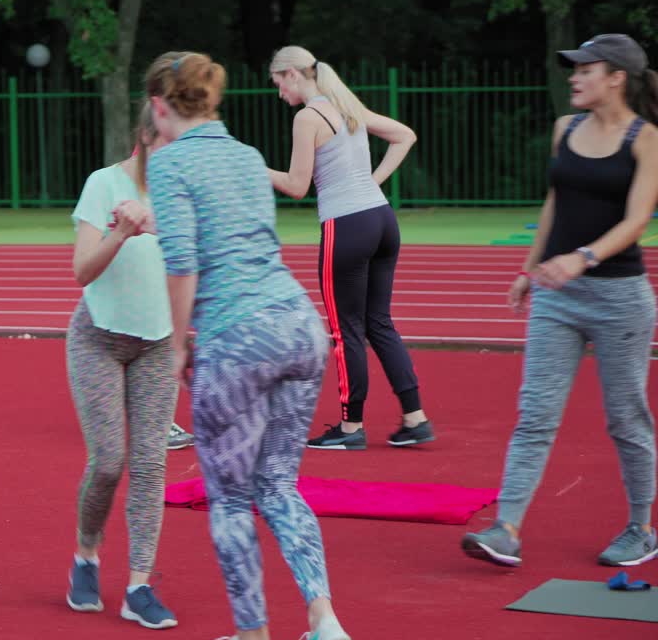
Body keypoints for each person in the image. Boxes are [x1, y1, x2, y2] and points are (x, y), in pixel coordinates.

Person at [144, 50, 352, 640]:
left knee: (231, 498)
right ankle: (323, 618)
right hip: (298, 326)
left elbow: (181, 262)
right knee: (280, 486)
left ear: (158, 106)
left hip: (235, 337)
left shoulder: (170, 163)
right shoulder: (242, 155)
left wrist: (178, 346)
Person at [462, 33, 658, 568]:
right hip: (558, 297)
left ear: (616, 77)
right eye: (572, 69)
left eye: (584, 69)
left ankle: (641, 526)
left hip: (620, 298)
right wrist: (533, 267)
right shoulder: (563, 129)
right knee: (536, 415)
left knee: (626, 419)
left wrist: (582, 257)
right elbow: (556, 201)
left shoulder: (647, 140)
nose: (573, 77)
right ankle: (507, 528)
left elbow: (638, 220)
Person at [266, 46, 433, 451]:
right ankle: (415, 417)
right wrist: (373, 181)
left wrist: (248, 164)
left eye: (277, 84)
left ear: (291, 74)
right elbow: (404, 135)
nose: (278, 93)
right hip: (381, 220)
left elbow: (296, 185)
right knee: (379, 322)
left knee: (345, 331)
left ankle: (350, 427)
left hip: (347, 225)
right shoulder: (346, 105)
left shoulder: (308, 117)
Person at [65, 102, 180, 629]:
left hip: (157, 344)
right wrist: (122, 232)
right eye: (169, 140)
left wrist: (185, 338)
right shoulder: (104, 184)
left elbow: (190, 273)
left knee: (152, 464)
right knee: (110, 461)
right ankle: (86, 556)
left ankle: (138, 585)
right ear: (145, 136)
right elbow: (82, 271)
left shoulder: (182, 195)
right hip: (99, 339)